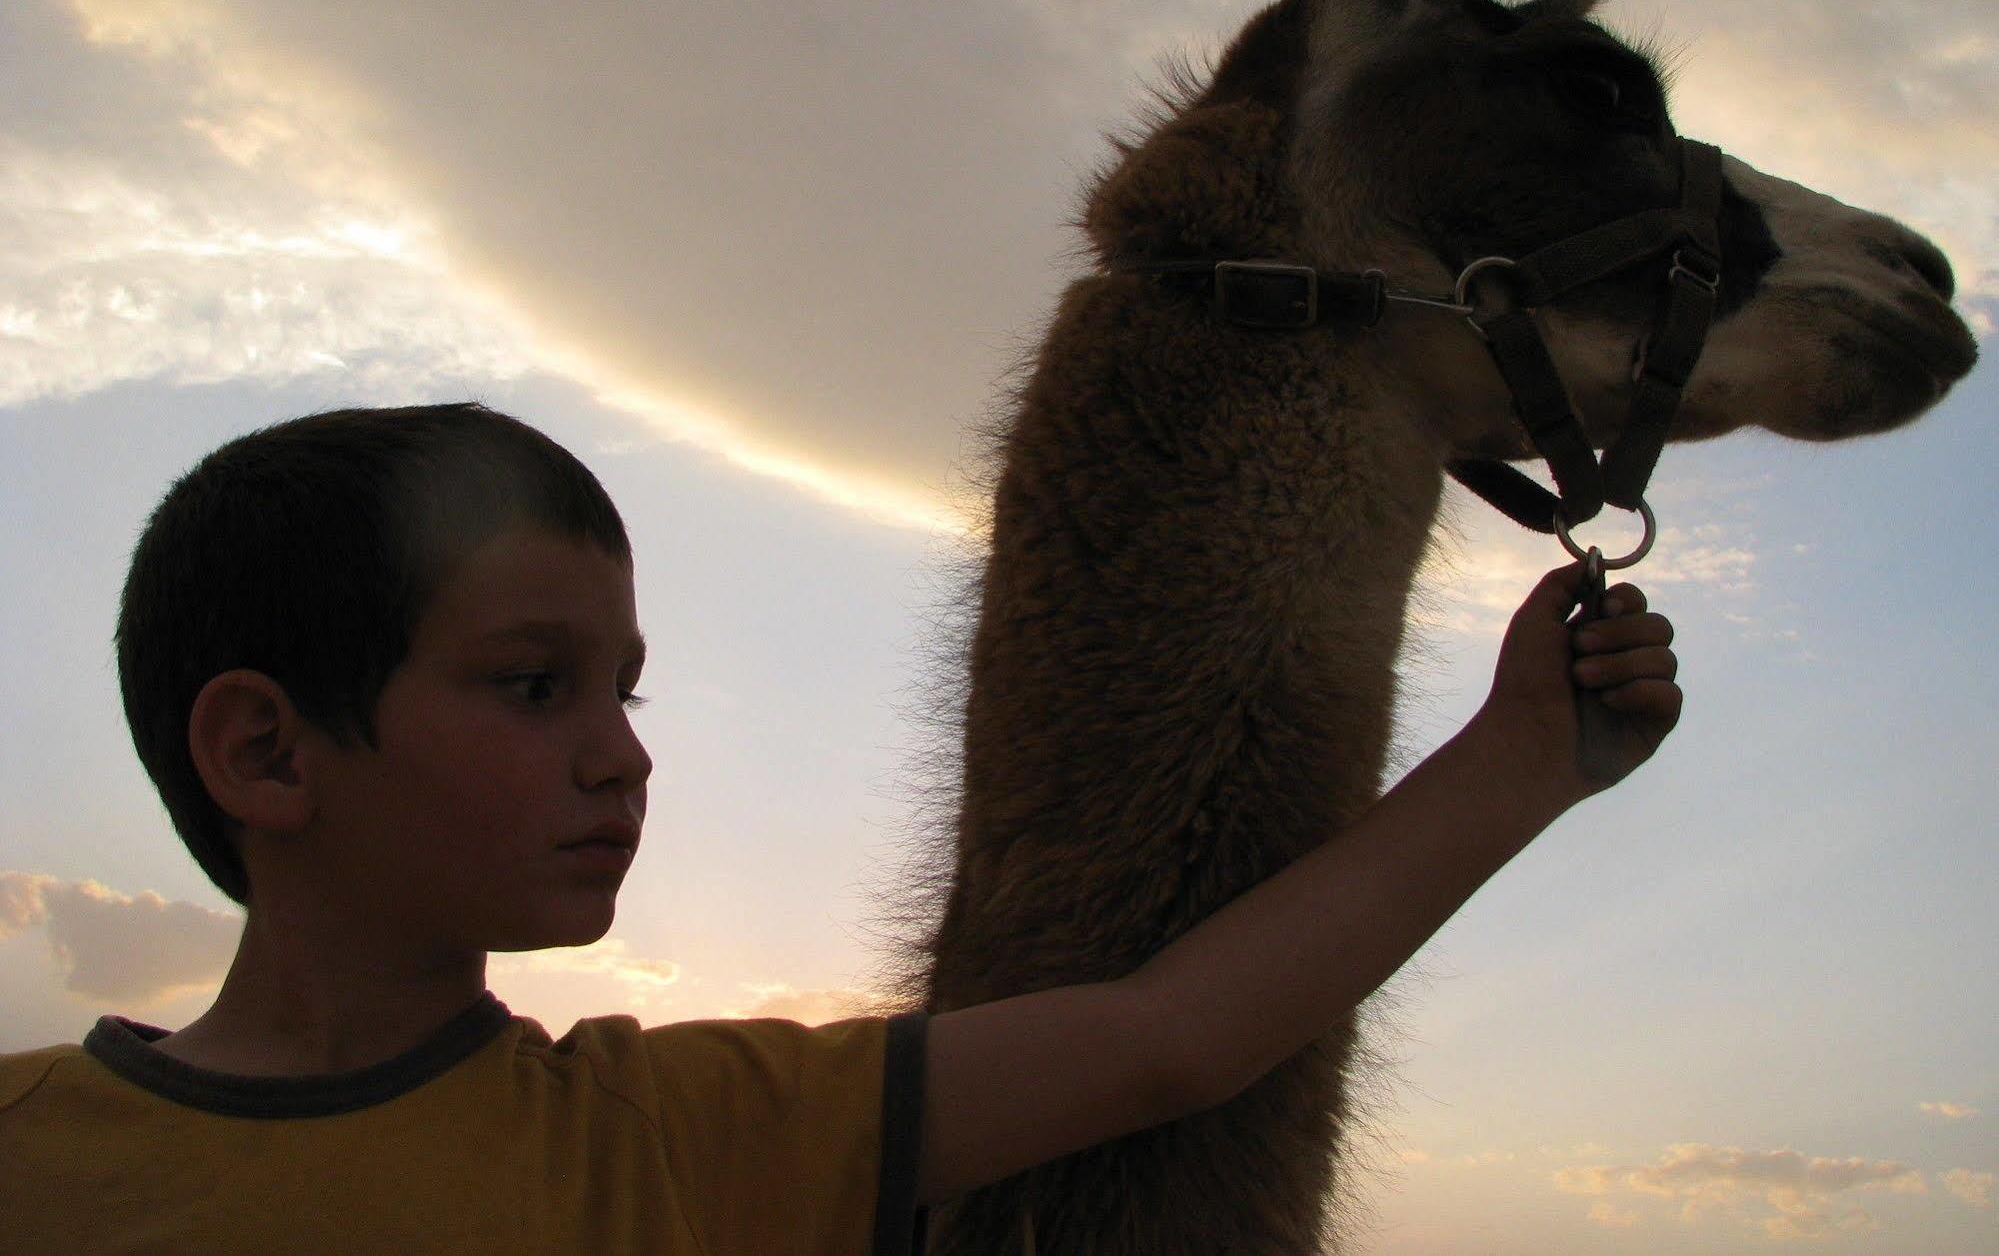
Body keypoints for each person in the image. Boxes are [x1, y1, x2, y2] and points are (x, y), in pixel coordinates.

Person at [0, 402, 1681, 1255]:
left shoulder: (693, 1134)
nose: (622, 761)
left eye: (630, 695)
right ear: (266, 752)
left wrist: (1529, 756)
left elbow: (1177, 1039)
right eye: (534, 688)